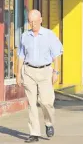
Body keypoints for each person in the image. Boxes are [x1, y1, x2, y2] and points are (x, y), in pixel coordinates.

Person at [16, 10, 63, 143]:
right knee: (31, 103)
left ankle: (48, 123)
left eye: (35, 21)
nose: (33, 24)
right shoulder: (25, 36)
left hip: (45, 71)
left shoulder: (49, 35)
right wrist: (18, 74)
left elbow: (57, 55)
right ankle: (34, 133)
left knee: (46, 102)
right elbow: (21, 55)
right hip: (29, 71)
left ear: (41, 20)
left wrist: (56, 72)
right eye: (30, 21)